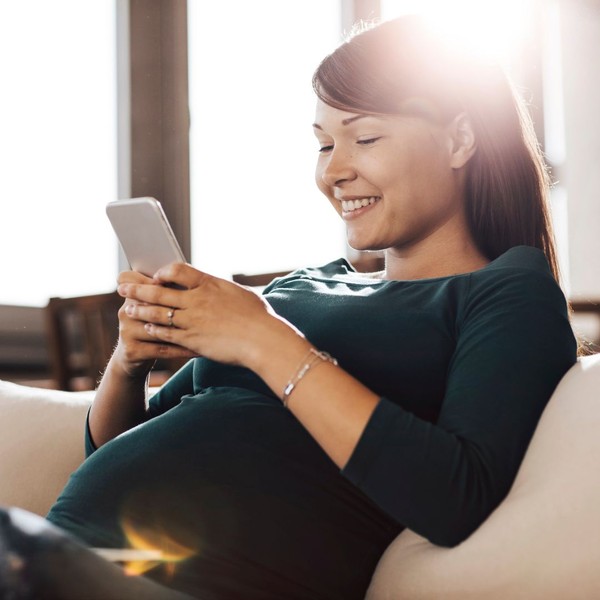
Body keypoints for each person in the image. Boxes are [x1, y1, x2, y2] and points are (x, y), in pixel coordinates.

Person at [3, 14, 577, 600]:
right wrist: (127, 364)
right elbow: (121, 449)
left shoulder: (507, 292)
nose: (334, 171)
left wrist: (264, 339)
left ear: (459, 139)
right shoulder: (302, 286)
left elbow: (459, 498)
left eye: (365, 138)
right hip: (76, 553)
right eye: (324, 143)